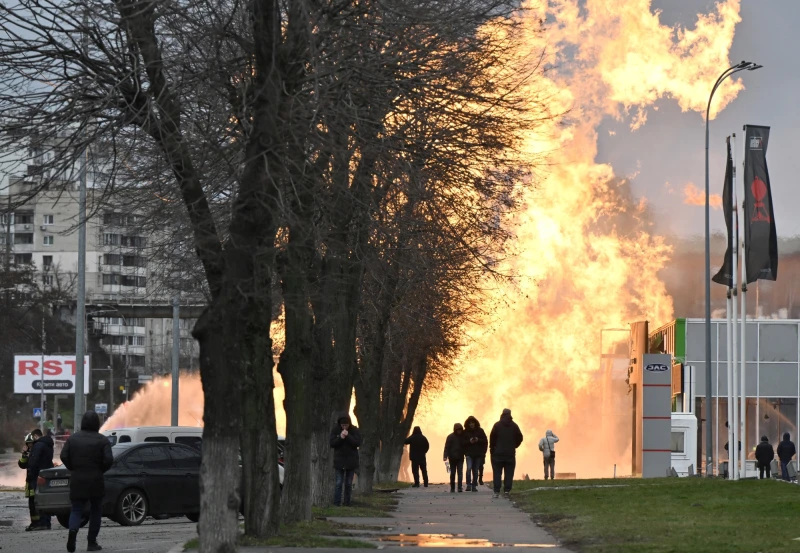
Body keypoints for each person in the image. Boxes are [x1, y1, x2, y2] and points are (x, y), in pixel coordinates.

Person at [61, 411, 113, 553]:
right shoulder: (102, 440)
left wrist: (73, 468)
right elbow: (109, 460)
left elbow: (63, 455)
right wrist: (100, 469)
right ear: (97, 423)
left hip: (77, 479)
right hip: (96, 480)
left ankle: (73, 531)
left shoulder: (73, 439)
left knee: (77, 509)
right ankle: (92, 542)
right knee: (96, 510)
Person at [24, 428, 54, 530]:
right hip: (46, 474)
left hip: (37, 476)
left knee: (37, 500)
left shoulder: (38, 445)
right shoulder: (48, 444)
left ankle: (41, 523)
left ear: (36, 436)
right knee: (45, 499)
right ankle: (46, 522)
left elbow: (33, 462)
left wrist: (30, 475)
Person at [489, 408, 523, 498]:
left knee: (497, 472)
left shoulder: (497, 425)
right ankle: (507, 491)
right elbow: (520, 437)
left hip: (498, 454)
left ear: (502, 414)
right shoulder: (514, 426)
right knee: (509, 473)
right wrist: (514, 445)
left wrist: (493, 449)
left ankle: (496, 491)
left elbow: (492, 439)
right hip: (510, 454)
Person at [329, 414, 362, 507]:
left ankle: (347, 503)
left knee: (348, 483)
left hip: (351, 461)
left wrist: (348, 436)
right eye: (343, 425)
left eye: (346, 425)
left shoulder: (354, 430)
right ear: (340, 424)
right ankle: (337, 503)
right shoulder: (335, 430)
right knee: (338, 483)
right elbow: (332, 443)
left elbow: (357, 443)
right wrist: (340, 437)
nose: (344, 427)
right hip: (339, 460)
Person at [462, 416, 488, 492]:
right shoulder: (465, 432)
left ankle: (474, 485)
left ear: (475, 423)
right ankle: (468, 485)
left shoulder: (480, 431)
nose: (471, 424)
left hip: (478, 454)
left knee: (475, 470)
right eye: (470, 423)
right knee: (469, 468)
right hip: (469, 454)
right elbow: (462, 443)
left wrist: (478, 440)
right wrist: (469, 441)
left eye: (472, 422)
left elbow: (485, 441)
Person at [443, 423, 465, 493]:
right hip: (452, 458)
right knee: (452, 473)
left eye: (460, 430)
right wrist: (445, 456)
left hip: (460, 457)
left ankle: (459, 487)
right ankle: (452, 487)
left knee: (460, 473)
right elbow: (447, 447)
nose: (459, 431)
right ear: (455, 430)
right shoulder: (450, 437)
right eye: (458, 430)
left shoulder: (463, 437)